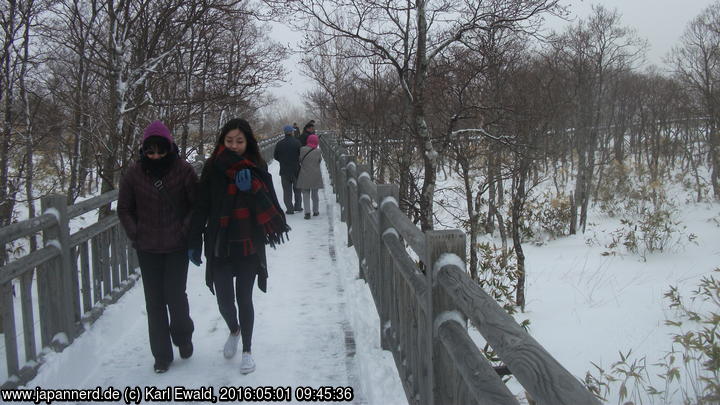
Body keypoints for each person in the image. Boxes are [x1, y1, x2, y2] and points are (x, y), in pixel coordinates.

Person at [187, 118, 289, 375]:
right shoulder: (212, 167)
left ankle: (247, 350)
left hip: (248, 242)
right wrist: (194, 241)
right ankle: (234, 329)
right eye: (229, 141)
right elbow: (202, 206)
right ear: (222, 141)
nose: (234, 146)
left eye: (239, 141)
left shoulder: (257, 166)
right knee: (224, 301)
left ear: (248, 142)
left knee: (244, 298)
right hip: (220, 242)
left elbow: (272, 204)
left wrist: (252, 190)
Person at [118, 120, 197, 374]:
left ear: (169, 148)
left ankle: (183, 337)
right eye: (150, 151)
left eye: (160, 150)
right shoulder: (134, 173)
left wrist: (185, 231)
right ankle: (161, 355)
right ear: (144, 150)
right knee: (154, 302)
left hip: (176, 246)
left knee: (175, 296)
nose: (155, 155)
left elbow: (196, 206)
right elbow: (124, 208)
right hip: (148, 247)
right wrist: (136, 232)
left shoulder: (183, 170)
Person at [273, 125, 303, 214]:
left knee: (287, 191)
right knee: (297, 190)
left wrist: (282, 161)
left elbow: (275, 156)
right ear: (292, 132)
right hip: (296, 170)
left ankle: (289, 209)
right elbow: (300, 155)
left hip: (284, 171)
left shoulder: (279, 143)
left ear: (284, 132)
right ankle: (298, 207)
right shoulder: (297, 142)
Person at [296, 134, 323, 219]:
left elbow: (300, 160)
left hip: (304, 175)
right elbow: (319, 161)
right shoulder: (318, 151)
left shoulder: (302, 149)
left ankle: (307, 213)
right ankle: (315, 211)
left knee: (305, 194)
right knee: (315, 195)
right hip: (315, 175)